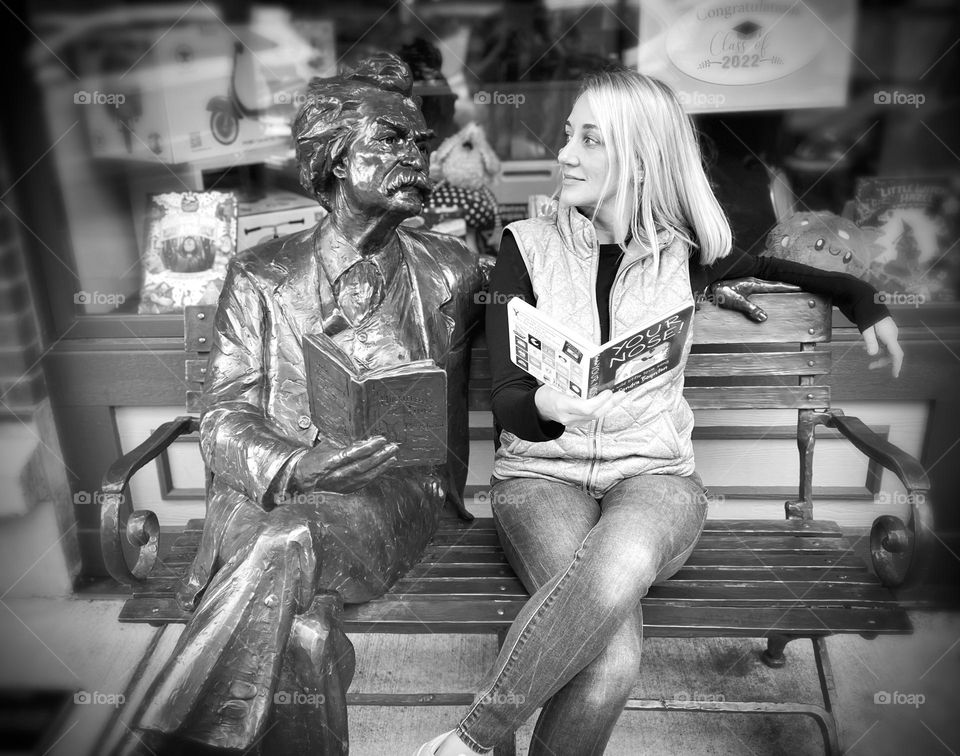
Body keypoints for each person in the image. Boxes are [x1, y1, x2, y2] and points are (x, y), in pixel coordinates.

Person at [416, 67, 902, 756]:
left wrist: (864, 298)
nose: (564, 154)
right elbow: (508, 404)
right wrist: (547, 405)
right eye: (566, 135)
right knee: (612, 660)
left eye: (590, 139)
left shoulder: (690, 255)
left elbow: (793, 270)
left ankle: (468, 741)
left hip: (656, 479)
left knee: (624, 557)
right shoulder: (523, 248)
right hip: (541, 480)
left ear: (641, 155)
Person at [133, 53, 484, 754]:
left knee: (286, 544)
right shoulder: (261, 275)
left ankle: (168, 744)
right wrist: (299, 465)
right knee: (304, 630)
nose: (415, 157)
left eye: (420, 142)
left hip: (394, 500)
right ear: (333, 159)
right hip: (270, 498)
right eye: (390, 139)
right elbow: (224, 419)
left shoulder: (454, 271)